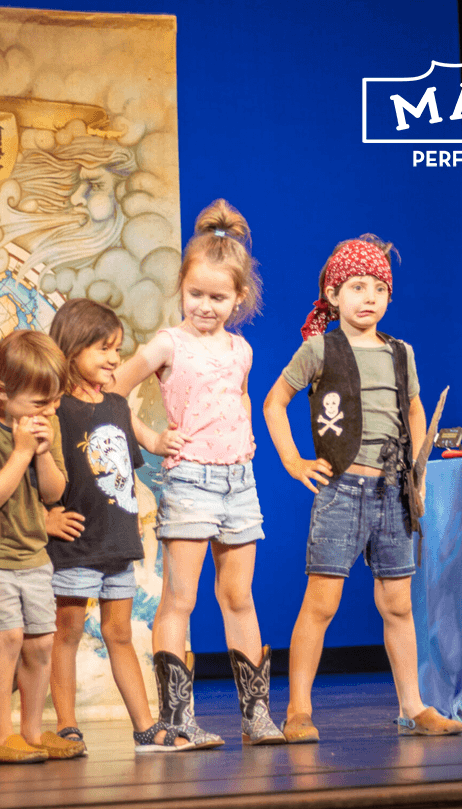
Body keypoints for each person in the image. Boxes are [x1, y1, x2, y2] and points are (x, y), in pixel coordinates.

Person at [263, 234, 462, 742]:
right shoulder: (319, 348)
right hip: (342, 491)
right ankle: (299, 709)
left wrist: (419, 465)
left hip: (392, 494)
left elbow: (414, 408)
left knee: (397, 603)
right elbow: (274, 402)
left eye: (378, 287)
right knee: (322, 603)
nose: (368, 297)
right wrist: (292, 460)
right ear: (333, 294)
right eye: (356, 286)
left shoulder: (401, 353)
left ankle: (412, 705)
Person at [114, 199, 284, 747]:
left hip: (239, 481)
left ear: (239, 298)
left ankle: (256, 717)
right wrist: (151, 437)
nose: (205, 306)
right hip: (189, 481)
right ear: (181, 288)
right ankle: (178, 720)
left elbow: (235, 398)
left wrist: (244, 438)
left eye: (218, 297)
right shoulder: (169, 342)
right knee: (180, 599)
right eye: (196, 294)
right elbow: (116, 388)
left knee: (239, 596)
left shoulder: (242, 348)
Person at [47, 298, 192, 753]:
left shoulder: (115, 404)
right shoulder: (58, 410)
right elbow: (44, 476)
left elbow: (128, 463)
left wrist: (161, 440)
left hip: (118, 541)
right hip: (78, 543)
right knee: (66, 633)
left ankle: (145, 725)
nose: (114, 359)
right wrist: (46, 518)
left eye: (117, 349)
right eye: (103, 349)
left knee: (121, 633)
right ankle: (67, 725)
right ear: (72, 350)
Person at [0, 329, 84, 762]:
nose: (48, 411)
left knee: (40, 642)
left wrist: (44, 454)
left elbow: (54, 494)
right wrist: (20, 452)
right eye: (39, 403)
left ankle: (31, 732)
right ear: (1, 391)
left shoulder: (45, 430)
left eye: (54, 403)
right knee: (8, 637)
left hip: (34, 555)